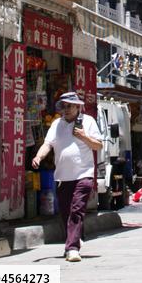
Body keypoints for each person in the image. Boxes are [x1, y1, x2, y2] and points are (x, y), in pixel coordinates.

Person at [32, 92, 102, 263]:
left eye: (71, 105)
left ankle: (72, 248)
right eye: (64, 105)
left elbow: (98, 145)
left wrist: (84, 136)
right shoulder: (57, 124)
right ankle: (77, 237)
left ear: (78, 107)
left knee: (76, 210)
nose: (67, 109)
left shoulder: (88, 122)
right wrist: (38, 157)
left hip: (83, 175)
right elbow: (48, 144)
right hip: (62, 177)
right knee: (66, 213)